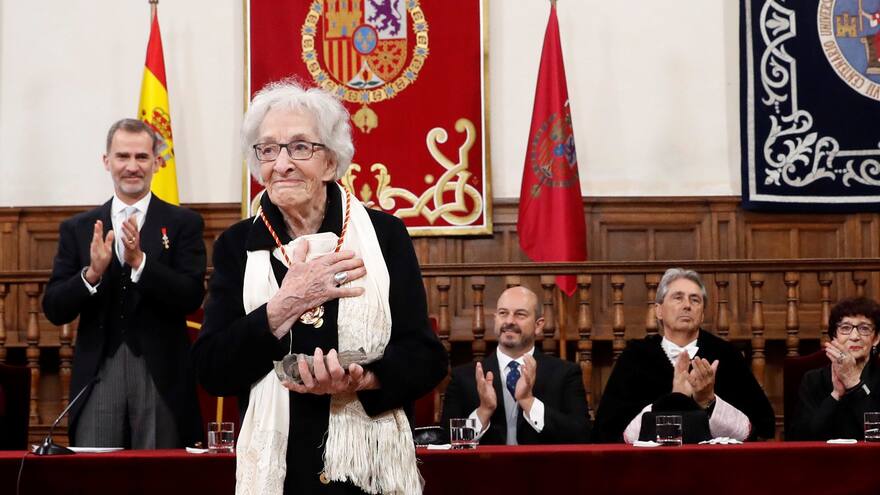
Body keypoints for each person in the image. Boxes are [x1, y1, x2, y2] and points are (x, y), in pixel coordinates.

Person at [191, 80, 447, 495]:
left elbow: (427, 359)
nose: (282, 163)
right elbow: (212, 370)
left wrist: (363, 379)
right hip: (284, 474)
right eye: (268, 149)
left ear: (331, 162)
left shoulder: (384, 236)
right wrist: (285, 305)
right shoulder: (238, 246)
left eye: (299, 147)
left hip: (367, 475)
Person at [42, 118, 206, 449]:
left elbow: (191, 296)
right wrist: (92, 274)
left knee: (160, 473)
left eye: (141, 157)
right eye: (122, 156)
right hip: (98, 374)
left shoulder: (183, 223)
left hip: (161, 376)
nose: (132, 166)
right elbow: (54, 308)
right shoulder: (78, 228)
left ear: (157, 162)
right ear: (107, 161)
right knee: (95, 472)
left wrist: (140, 263)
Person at [593, 268, 775, 443]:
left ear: (702, 314)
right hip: (650, 462)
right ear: (659, 310)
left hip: (714, 461)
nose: (687, 305)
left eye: (695, 300)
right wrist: (674, 399)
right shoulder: (635, 357)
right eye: (678, 298)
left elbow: (761, 427)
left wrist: (708, 400)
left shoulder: (726, 355)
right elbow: (609, 431)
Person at [440, 286, 591, 445]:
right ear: (495, 319)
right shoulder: (463, 377)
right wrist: (483, 411)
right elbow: (446, 443)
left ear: (538, 325)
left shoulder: (565, 374)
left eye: (520, 314)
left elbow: (582, 436)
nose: (509, 321)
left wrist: (528, 401)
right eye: (503, 313)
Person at [790, 297, 880, 440]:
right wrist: (835, 395)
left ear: (876, 338)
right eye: (845, 328)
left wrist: (854, 384)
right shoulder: (813, 380)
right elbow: (801, 438)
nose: (854, 336)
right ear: (834, 336)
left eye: (864, 328)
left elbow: (876, 433)